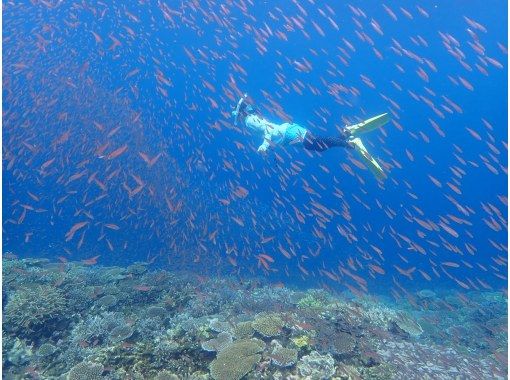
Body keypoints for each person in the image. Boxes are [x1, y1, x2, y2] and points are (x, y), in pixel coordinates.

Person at [232, 94, 389, 179]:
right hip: (289, 133)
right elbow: (268, 127)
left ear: (241, 113)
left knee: (318, 143)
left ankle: (351, 142)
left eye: (238, 116)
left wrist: (265, 145)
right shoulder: (251, 118)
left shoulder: (248, 122)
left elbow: (267, 129)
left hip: (289, 134)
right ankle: (345, 134)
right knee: (319, 145)